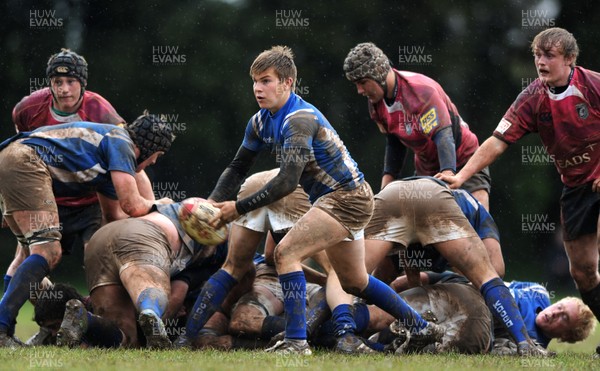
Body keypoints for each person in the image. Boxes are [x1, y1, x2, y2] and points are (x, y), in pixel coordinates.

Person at [177, 45, 447, 356]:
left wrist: (236, 208)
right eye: (254, 81)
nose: (257, 88)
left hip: (347, 198)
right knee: (355, 281)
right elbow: (238, 167)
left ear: (288, 82)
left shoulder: (299, 119)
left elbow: (287, 181)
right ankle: (422, 328)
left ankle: (296, 342)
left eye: (266, 80)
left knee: (285, 253)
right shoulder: (260, 121)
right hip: (340, 198)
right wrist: (210, 206)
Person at [435, 27, 600, 353]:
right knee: (583, 271)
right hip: (576, 189)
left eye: (549, 55)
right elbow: (498, 140)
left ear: (569, 59)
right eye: (537, 55)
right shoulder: (534, 97)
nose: (540, 62)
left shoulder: (593, 85)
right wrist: (461, 175)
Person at [3, 48, 154, 342]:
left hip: (89, 199)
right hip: (47, 192)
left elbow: (130, 165)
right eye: (57, 82)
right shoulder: (27, 109)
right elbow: (21, 153)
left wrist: (149, 207)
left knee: (100, 256)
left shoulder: (104, 112)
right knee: (28, 254)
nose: (64, 89)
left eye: (71, 81)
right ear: (49, 84)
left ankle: (85, 320)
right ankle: (45, 323)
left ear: (83, 83)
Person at [0, 113, 174, 347]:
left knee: (29, 254)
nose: (153, 162)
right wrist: (161, 205)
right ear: (147, 149)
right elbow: (132, 205)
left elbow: (115, 217)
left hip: (12, 157)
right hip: (26, 160)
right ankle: (2, 329)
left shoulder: (108, 156)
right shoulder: (121, 142)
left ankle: (7, 329)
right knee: (48, 251)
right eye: (157, 156)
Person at [364, 177, 550, 356]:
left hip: (392, 194)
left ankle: (345, 331)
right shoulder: (474, 212)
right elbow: (495, 271)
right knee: (488, 275)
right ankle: (525, 343)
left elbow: (412, 275)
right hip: (433, 198)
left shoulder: (461, 216)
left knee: (355, 279)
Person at [55, 199, 228, 349]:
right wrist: (165, 321)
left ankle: (85, 320)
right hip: (142, 235)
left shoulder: (175, 209)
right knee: (152, 288)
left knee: (126, 337)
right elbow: (176, 295)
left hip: (100, 239)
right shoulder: (208, 253)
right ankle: (150, 312)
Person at [343, 42, 491, 210]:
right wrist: (384, 189)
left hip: (465, 160)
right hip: (427, 171)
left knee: (481, 229)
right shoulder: (376, 103)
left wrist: (449, 173)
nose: (359, 90)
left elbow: (443, 135)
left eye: (362, 82)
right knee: (419, 231)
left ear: (378, 73)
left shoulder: (420, 91)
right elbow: (394, 144)